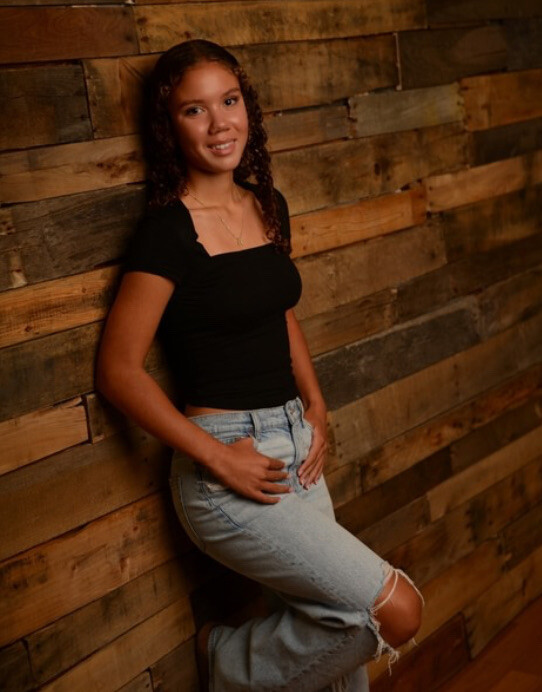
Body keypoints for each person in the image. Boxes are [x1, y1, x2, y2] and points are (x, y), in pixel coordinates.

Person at [96, 39, 424, 692]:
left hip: (296, 447)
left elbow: (278, 312)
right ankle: (228, 662)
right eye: (195, 110)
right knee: (394, 611)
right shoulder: (167, 232)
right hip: (226, 465)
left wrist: (316, 403)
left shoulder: (266, 205)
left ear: (247, 107)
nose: (220, 123)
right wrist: (218, 458)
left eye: (229, 101)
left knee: (338, 659)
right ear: (169, 126)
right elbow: (119, 371)